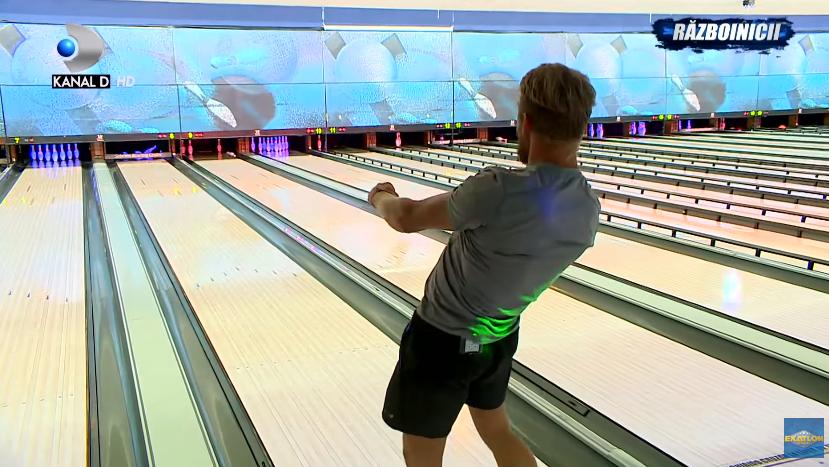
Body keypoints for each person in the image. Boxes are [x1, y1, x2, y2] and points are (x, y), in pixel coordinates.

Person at [368, 63, 601, 467]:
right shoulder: (587, 207)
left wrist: (381, 196)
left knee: (420, 453)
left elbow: (407, 218)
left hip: (440, 342)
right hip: (497, 341)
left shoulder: (497, 189)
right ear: (582, 127)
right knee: (497, 430)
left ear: (525, 122)